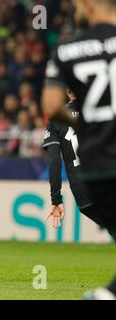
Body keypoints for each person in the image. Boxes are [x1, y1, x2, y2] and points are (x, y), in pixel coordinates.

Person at [42, 0, 116, 299]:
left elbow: (51, 105)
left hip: (94, 171)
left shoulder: (67, 48)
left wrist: (82, 119)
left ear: (88, 4)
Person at [43, 89, 104, 228]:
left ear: (66, 90)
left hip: (81, 193)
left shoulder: (55, 118)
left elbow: (54, 161)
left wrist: (56, 199)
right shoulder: (99, 112)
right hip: (104, 183)